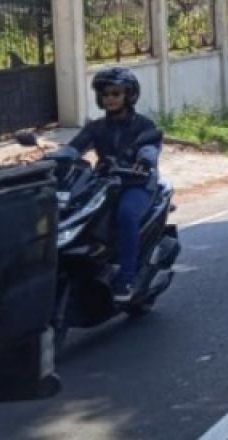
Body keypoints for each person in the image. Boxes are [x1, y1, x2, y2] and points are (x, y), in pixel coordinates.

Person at [67, 68, 163, 302]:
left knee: (126, 214)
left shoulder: (143, 125)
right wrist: (51, 159)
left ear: (128, 96)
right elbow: (75, 146)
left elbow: (149, 147)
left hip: (136, 183)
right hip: (104, 184)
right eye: (105, 94)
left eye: (116, 93)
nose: (110, 98)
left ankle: (126, 278)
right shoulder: (96, 127)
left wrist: (145, 160)